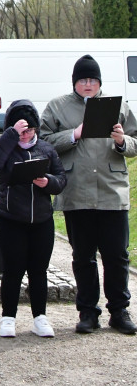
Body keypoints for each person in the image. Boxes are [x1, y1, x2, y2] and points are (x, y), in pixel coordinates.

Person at [41, 54, 137, 335]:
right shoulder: (57, 107)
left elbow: (136, 140)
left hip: (111, 192)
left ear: (99, 82)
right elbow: (44, 141)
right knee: (83, 256)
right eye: (82, 80)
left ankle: (119, 311)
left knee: (117, 256)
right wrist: (73, 135)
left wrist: (122, 141)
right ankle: (87, 313)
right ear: (75, 82)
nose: (87, 84)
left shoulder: (117, 107)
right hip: (76, 192)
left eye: (92, 80)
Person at [0, 99, 67, 338]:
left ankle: (40, 317)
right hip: (10, 217)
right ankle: (8, 317)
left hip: (41, 218)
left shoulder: (46, 148)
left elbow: (61, 178)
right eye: (21, 130)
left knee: (38, 270)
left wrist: (48, 182)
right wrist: (12, 135)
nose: (25, 134)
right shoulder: (5, 145)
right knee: (13, 269)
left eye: (29, 130)